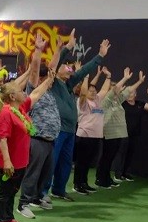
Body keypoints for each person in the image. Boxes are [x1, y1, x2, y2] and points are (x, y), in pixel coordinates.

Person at [43, 31, 110, 201]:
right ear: (59, 70)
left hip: (70, 131)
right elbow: (53, 67)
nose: (71, 69)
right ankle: (42, 193)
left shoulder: (68, 84)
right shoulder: (54, 83)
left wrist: (100, 56)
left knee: (65, 163)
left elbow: (83, 71)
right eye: (67, 66)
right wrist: (67, 48)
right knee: (52, 162)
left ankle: (58, 190)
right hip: (58, 130)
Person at [0, 70, 55, 222]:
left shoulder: (20, 108)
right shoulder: (5, 113)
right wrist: (7, 162)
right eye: (20, 91)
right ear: (12, 96)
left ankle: (9, 219)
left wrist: (49, 80)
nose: (24, 93)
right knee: (4, 192)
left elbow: (35, 94)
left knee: (13, 191)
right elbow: (2, 139)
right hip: (9, 162)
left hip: (21, 161)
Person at [17, 32, 61, 219]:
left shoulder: (49, 92)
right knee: (33, 173)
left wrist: (58, 49)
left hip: (50, 140)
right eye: (47, 77)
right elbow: (35, 70)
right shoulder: (33, 89)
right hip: (37, 139)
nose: (51, 78)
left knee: (45, 174)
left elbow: (52, 69)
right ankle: (23, 203)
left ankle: (36, 198)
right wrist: (37, 50)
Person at [96, 68, 144, 188]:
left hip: (118, 134)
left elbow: (128, 90)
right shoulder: (106, 101)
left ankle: (106, 178)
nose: (119, 90)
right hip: (109, 134)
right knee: (106, 158)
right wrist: (125, 78)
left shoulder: (118, 100)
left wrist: (139, 82)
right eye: (116, 89)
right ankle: (101, 179)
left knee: (110, 158)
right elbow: (114, 90)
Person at [73, 66, 112, 194]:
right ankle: (77, 184)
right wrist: (86, 77)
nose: (93, 92)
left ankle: (84, 183)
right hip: (84, 136)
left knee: (88, 163)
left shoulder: (98, 100)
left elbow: (105, 89)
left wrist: (108, 76)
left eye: (94, 90)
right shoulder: (82, 101)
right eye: (91, 91)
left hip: (96, 137)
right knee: (81, 162)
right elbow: (83, 92)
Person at [114, 85, 148, 181]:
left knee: (130, 154)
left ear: (135, 94)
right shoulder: (122, 103)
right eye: (128, 93)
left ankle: (125, 173)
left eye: (132, 93)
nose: (130, 95)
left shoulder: (139, 104)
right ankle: (118, 174)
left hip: (134, 134)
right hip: (122, 133)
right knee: (121, 153)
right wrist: (120, 91)